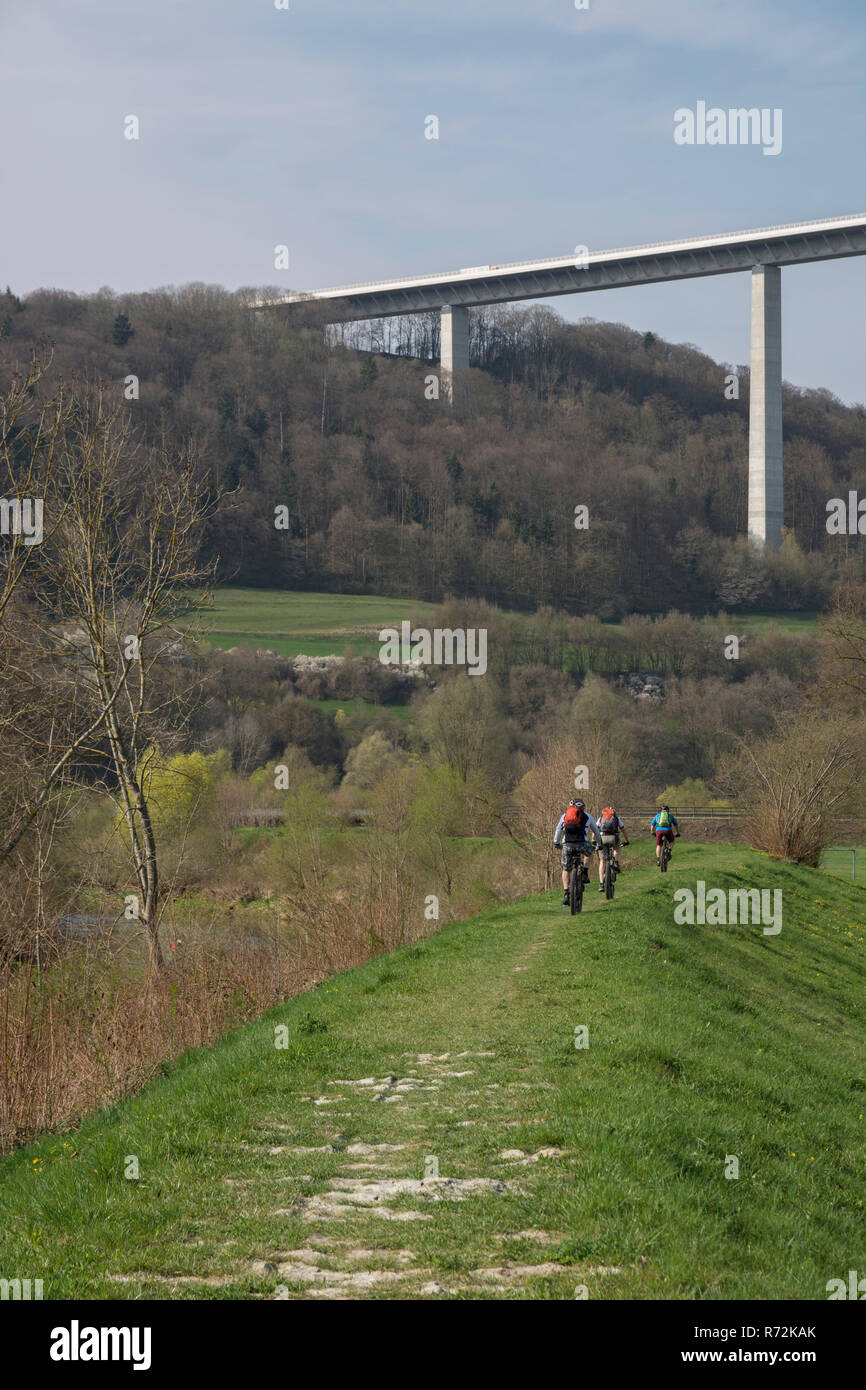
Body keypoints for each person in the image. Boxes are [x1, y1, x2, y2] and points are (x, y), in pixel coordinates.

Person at [553, 799, 602, 906]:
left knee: (566, 869)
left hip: (567, 845)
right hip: (582, 844)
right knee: (590, 851)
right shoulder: (588, 816)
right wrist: (599, 844)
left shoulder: (565, 815)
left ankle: (566, 893)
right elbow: (596, 832)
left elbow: (558, 829)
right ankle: (584, 872)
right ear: (583, 807)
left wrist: (556, 842)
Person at [594, 806, 630, 891]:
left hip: (602, 838)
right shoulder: (617, 818)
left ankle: (601, 884)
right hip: (614, 838)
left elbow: (595, 829)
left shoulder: (600, 818)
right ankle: (616, 862)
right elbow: (623, 829)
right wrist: (627, 841)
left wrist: (593, 840)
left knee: (602, 861)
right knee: (617, 848)